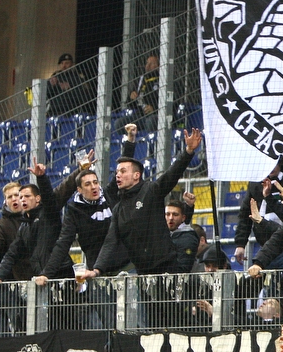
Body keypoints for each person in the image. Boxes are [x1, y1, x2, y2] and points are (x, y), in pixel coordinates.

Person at [86, 125, 203, 278]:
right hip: (142, 273)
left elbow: (171, 175)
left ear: (136, 175)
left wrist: (188, 152)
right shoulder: (119, 209)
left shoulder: (150, 191)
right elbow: (110, 241)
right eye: (116, 172)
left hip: (167, 268)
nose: (118, 176)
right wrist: (97, 270)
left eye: (123, 171)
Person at [166, 199, 200, 274]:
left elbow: (183, 268)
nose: (171, 218)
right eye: (168, 214)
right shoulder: (165, 233)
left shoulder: (188, 238)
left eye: (175, 215)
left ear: (183, 218)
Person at [128, 54, 159, 131]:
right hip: (140, 115)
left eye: (151, 64)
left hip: (156, 115)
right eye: (147, 63)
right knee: (120, 123)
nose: (147, 66)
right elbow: (130, 104)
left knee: (150, 121)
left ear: (159, 66)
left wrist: (155, 109)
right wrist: (131, 97)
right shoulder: (141, 80)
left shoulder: (163, 79)